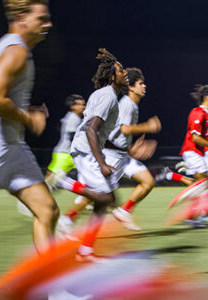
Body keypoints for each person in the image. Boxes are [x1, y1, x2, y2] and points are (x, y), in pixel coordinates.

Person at [57, 68, 161, 232]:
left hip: (122, 155)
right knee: (99, 196)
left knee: (147, 181)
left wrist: (132, 149)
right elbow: (124, 128)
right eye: (141, 83)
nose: (144, 86)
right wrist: (147, 126)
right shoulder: (126, 104)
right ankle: (68, 217)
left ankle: (123, 211)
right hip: (111, 156)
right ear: (131, 87)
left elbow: (119, 134)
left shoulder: (132, 105)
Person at [0, 0, 59, 253]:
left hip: (13, 149)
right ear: (22, 18)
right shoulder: (16, 51)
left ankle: (50, 289)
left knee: (48, 211)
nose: (48, 24)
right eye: (42, 19)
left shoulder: (14, 49)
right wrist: (28, 118)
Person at [70, 48, 129, 262]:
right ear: (112, 76)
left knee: (105, 201)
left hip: (86, 149)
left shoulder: (105, 95)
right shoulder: (108, 97)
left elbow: (100, 131)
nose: (126, 73)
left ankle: (85, 250)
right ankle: (66, 183)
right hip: (86, 151)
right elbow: (91, 129)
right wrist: (101, 162)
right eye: (121, 70)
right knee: (106, 197)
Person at [156, 84, 208, 187]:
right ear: (207, 97)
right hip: (192, 151)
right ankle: (170, 175)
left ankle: (170, 175)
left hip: (201, 153)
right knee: (204, 185)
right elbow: (195, 138)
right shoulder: (198, 113)